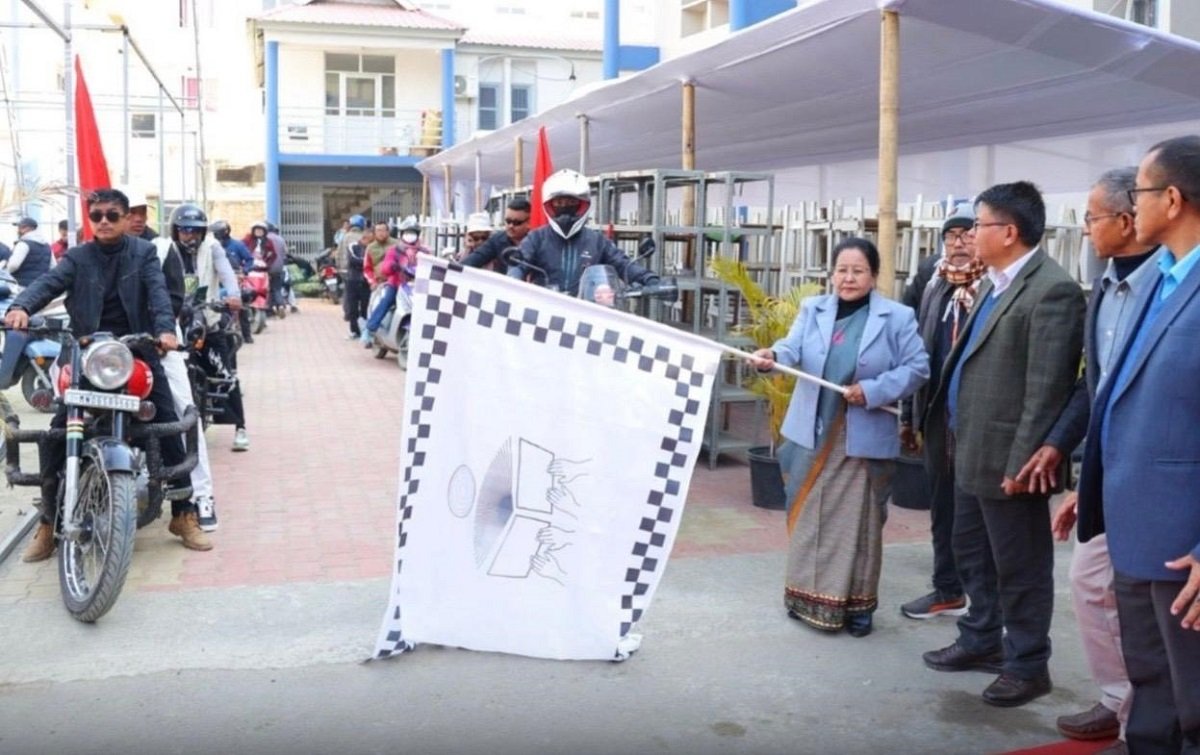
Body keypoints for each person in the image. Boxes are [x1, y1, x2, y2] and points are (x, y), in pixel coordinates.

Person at [921, 181, 1085, 708]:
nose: (970, 234)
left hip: (1011, 460)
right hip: (970, 449)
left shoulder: (1052, 290)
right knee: (972, 551)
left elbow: (1046, 389)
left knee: (1020, 566)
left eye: (979, 224)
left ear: (1009, 232)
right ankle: (981, 638)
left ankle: (1028, 664)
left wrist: (1021, 462)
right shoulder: (995, 282)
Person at [1010, 168, 1156, 751]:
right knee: (1090, 583)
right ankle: (1119, 699)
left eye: (1092, 217)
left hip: (1156, 478)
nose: (1087, 228)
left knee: (1146, 607)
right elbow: (1094, 387)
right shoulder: (1105, 289)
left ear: (1128, 218)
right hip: (1106, 473)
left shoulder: (1169, 289)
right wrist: (1066, 454)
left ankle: (1147, 721)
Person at [1076, 135, 1200, 753]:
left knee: (1193, 699)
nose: (1133, 206)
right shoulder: (1159, 280)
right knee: (1152, 693)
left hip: (1184, 549)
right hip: (1135, 529)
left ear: (1172, 200)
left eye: (1142, 193)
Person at [9, 188, 208, 559]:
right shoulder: (77, 257)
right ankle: (49, 521)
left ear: (125, 218)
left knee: (167, 424)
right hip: (89, 354)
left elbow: (159, 295)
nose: (103, 222)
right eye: (96, 215)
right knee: (57, 433)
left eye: (112, 215)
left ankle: (184, 513)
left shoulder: (144, 253)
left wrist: (165, 330)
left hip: (138, 351)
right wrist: (20, 306)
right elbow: (47, 285)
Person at [748, 237, 929, 638]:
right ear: (832, 274)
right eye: (842, 270)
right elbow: (790, 348)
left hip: (861, 437)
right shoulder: (813, 310)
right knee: (810, 517)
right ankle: (803, 597)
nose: (849, 278)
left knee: (857, 522)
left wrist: (874, 390)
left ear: (874, 275)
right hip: (811, 434)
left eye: (858, 271)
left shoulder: (897, 318)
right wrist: (772, 357)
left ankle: (858, 606)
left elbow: (918, 368)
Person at [899, 203, 985, 621]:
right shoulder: (932, 281)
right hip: (937, 413)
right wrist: (907, 415)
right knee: (942, 505)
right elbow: (913, 349)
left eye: (968, 233)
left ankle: (985, 602)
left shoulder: (995, 285)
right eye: (951, 235)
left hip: (980, 421)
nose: (959, 243)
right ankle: (947, 589)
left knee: (979, 513)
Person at [154, 204, 246, 533]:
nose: (189, 235)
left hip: (205, 319)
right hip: (170, 329)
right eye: (184, 229)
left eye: (195, 230)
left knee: (225, 374)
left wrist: (233, 296)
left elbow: (226, 273)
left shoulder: (213, 248)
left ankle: (240, 426)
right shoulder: (162, 249)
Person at [511, 170, 658, 295]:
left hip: (587, 310)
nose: (565, 207)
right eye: (559, 203)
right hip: (545, 309)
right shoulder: (536, 238)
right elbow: (519, 264)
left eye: (571, 202)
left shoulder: (597, 241)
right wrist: (513, 277)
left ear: (582, 204)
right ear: (549, 205)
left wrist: (650, 279)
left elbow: (623, 264)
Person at [362, 217, 426, 346]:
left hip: (418, 286)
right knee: (386, 301)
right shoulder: (395, 249)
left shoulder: (424, 251)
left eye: (413, 233)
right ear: (402, 234)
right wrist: (393, 266)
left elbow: (432, 265)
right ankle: (370, 329)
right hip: (396, 284)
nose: (410, 236)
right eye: (407, 233)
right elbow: (385, 267)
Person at [210, 219, 255, 343]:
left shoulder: (237, 245)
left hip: (234, 279)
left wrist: (243, 272)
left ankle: (247, 335)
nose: (215, 235)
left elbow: (249, 260)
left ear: (226, 232)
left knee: (239, 304)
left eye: (217, 232)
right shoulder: (210, 247)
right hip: (215, 281)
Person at [463, 197, 533, 275]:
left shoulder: (537, 241)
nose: (511, 226)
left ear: (528, 222)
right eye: (508, 221)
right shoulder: (497, 240)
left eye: (516, 222)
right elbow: (475, 259)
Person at [5, 216, 53, 287]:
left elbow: (13, 265)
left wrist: (6, 272)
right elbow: (53, 267)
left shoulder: (23, 244)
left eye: (20, 227)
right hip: (41, 286)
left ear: (27, 228)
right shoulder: (47, 246)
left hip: (22, 286)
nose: (18, 230)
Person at [342, 224, 369, 340]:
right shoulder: (353, 246)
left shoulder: (371, 248)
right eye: (365, 237)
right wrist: (366, 263)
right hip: (352, 280)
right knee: (352, 308)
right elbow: (353, 260)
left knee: (365, 307)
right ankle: (354, 331)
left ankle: (365, 331)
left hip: (366, 282)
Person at [363, 220, 397, 289]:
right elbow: (367, 268)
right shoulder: (370, 247)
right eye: (378, 230)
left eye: (383, 230)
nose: (380, 233)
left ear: (388, 232)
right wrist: (372, 281)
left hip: (394, 283)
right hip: (378, 283)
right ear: (375, 233)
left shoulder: (397, 244)